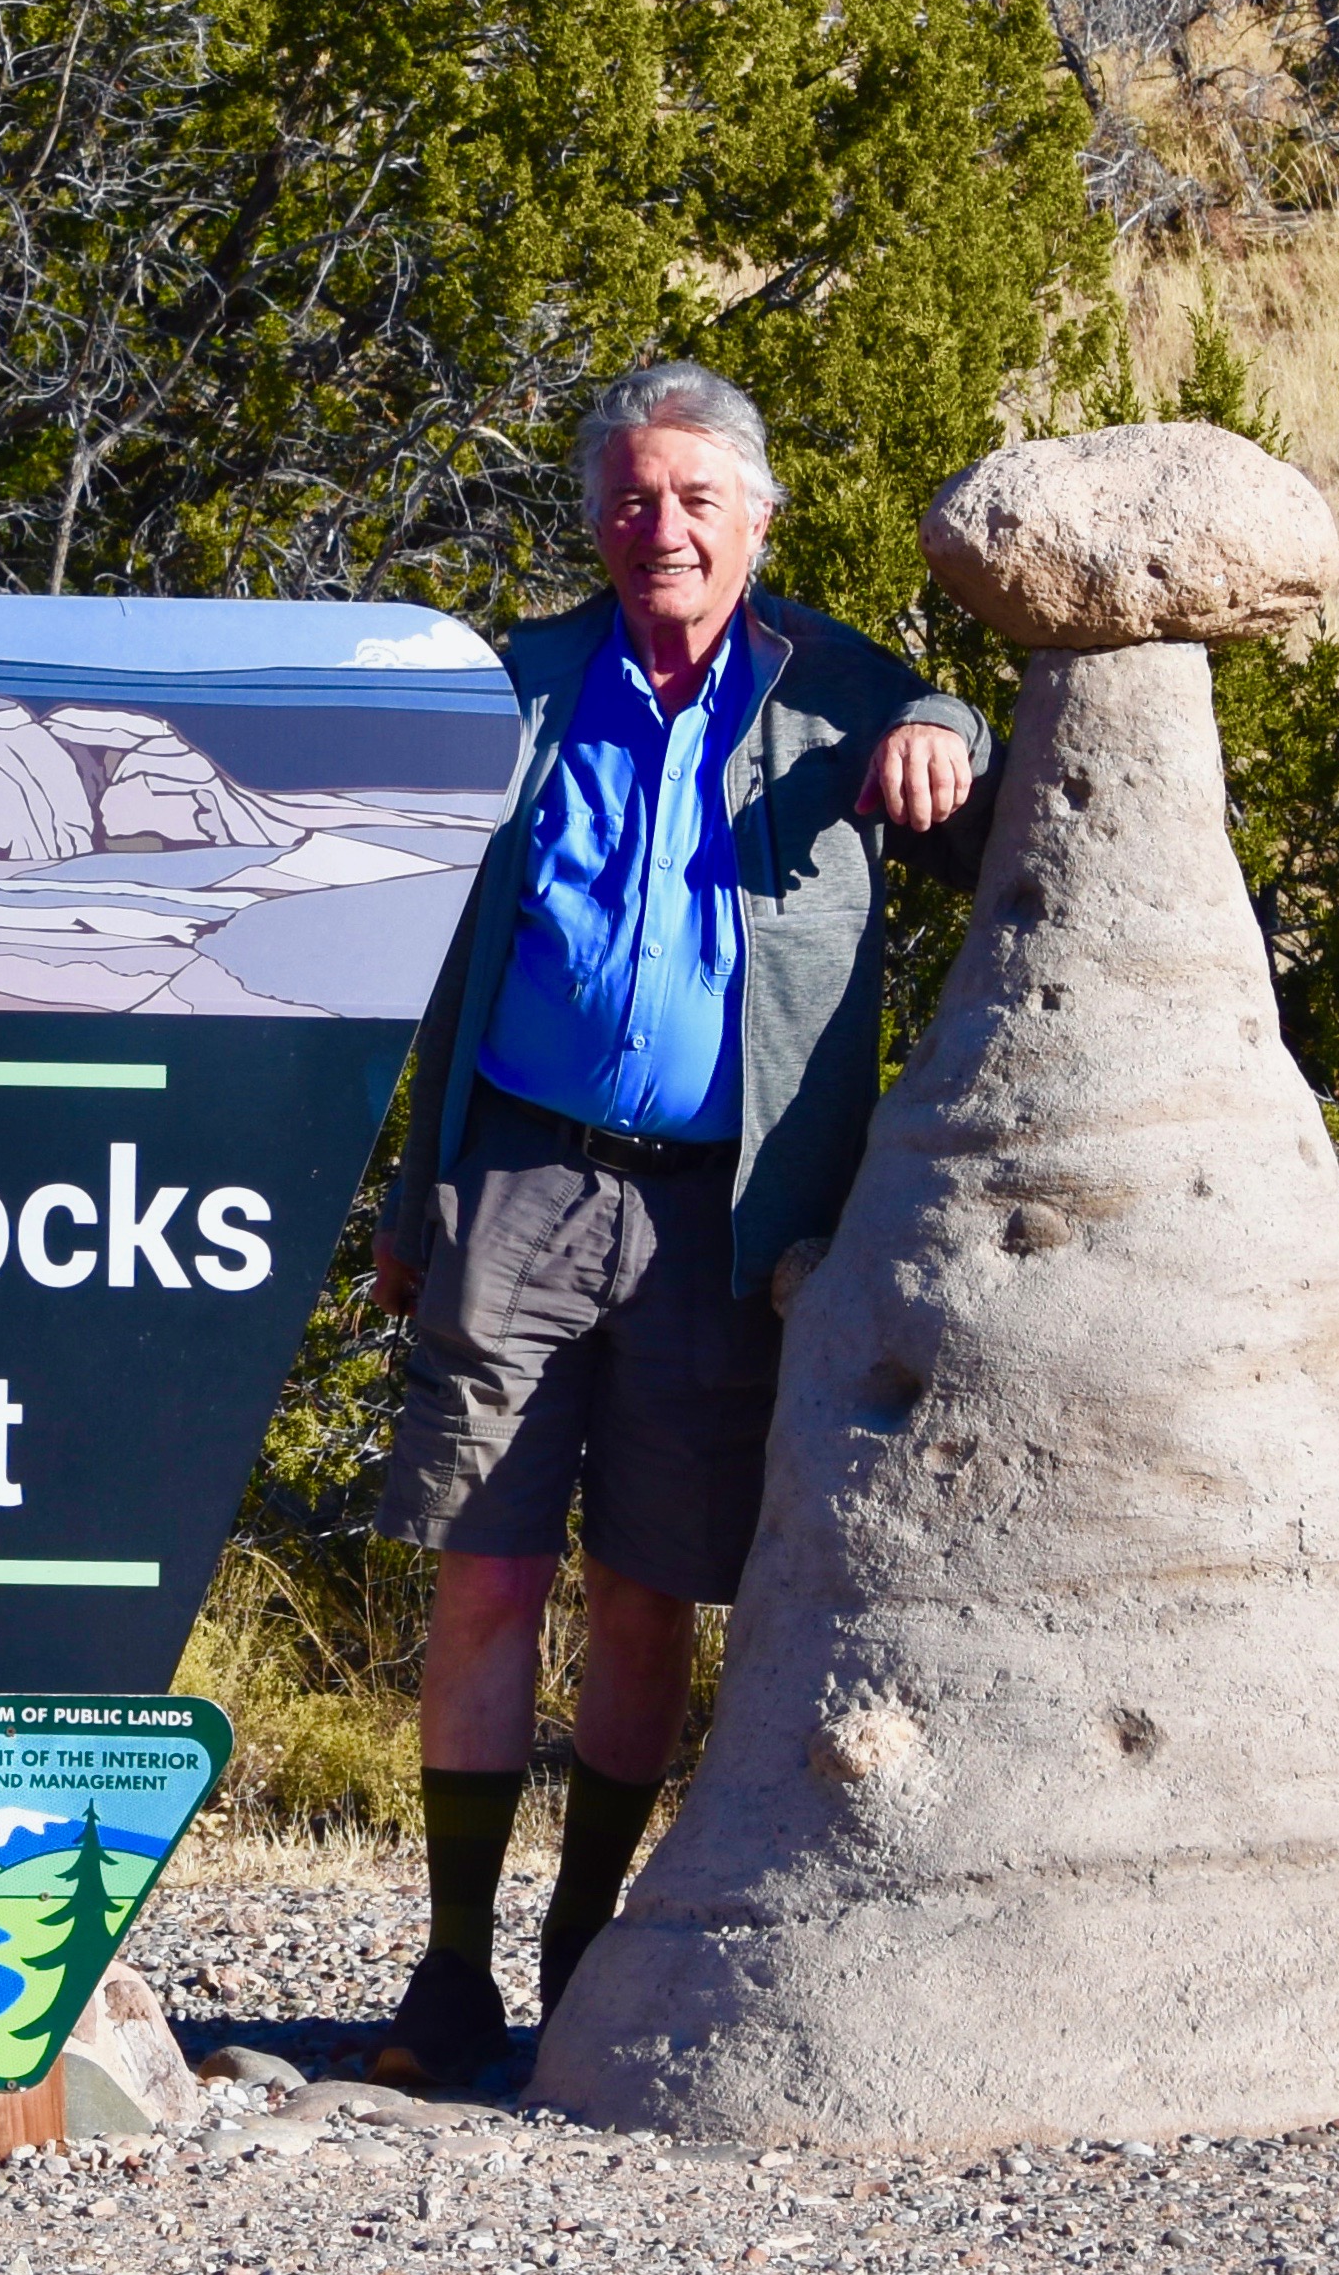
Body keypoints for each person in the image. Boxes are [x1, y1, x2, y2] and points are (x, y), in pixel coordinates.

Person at [364, 359, 993, 2084]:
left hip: (726, 1211)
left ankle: (584, 1952)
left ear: (758, 517)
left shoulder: (844, 695)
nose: (664, 528)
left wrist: (957, 725)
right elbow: (424, 945)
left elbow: (993, 795)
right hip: (519, 1175)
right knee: (486, 1570)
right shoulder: (523, 683)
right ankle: (448, 1968)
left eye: (697, 499)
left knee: (650, 1592)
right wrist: (418, 1188)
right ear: (597, 515)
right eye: (635, 497)